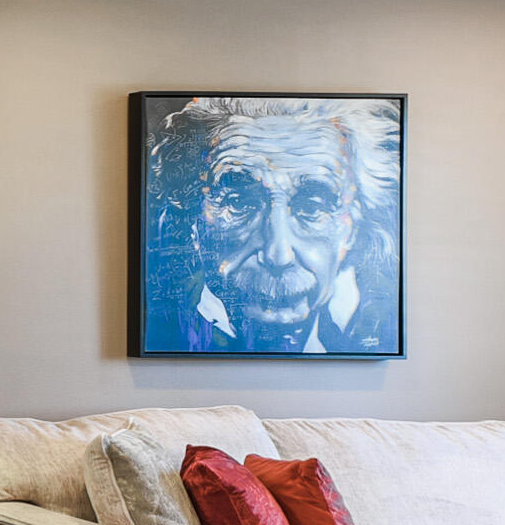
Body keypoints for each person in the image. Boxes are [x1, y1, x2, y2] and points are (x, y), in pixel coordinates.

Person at [143, 96, 400, 354]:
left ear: (353, 229)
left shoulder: (360, 343)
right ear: (193, 218)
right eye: (239, 202)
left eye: (312, 207)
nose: (278, 255)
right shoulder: (161, 334)